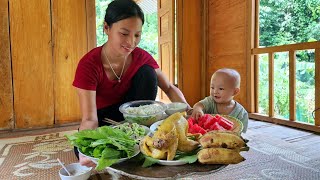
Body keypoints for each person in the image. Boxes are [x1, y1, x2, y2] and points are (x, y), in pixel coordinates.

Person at [72, 0, 190, 167]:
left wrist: (187, 112)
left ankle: (141, 136)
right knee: (83, 150)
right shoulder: (89, 65)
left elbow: (169, 88)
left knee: (148, 73)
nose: (131, 42)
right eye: (124, 33)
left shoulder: (142, 56)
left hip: (136, 118)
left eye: (137, 35)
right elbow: (90, 118)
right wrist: (87, 149)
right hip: (104, 120)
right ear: (107, 28)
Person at [191, 68, 248, 133]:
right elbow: (199, 105)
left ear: (235, 92)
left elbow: (241, 133)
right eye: (212, 87)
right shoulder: (210, 101)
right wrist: (198, 109)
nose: (215, 91)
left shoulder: (241, 113)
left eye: (221, 89)